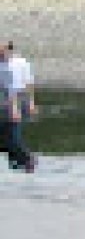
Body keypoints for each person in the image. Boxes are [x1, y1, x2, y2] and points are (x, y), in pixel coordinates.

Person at [2, 40, 38, 173]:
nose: (2, 54)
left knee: (13, 133)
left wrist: (30, 102)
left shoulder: (20, 63)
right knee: (6, 134)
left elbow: (28, 83)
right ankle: (16, 161)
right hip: (5, 100)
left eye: (3, 51)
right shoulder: (2, 65)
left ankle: (28, 159)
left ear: (10, 50)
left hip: (19, 99)